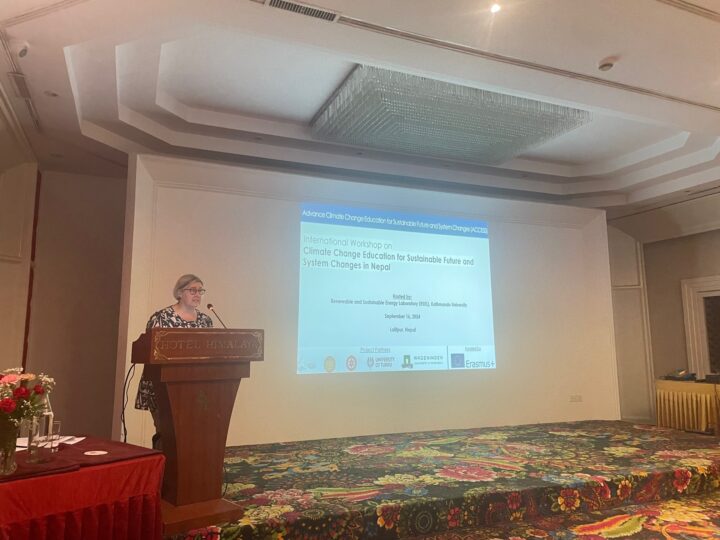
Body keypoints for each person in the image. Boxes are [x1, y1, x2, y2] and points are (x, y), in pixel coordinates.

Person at [134, 274, 213, 449]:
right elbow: (150, 352)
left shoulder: (206, 321)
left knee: (191, 436)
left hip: (194, 388)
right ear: (179, 292)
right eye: (192, 290)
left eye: (200, 291)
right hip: (163, 387)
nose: (197, 294)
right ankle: (164, 473)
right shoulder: (161, 317)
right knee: (168, 434)